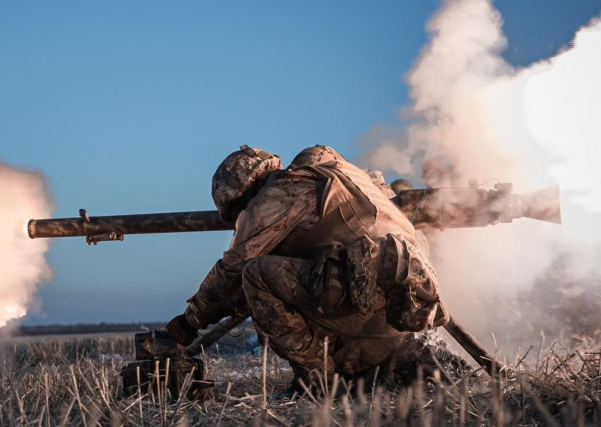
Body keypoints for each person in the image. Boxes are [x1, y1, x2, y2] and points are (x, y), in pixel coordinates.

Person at [165, 144, 449, 392]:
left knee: (254, 275)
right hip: (415, 298)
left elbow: (231, 271)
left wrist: (188, 324)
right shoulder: (347, 174)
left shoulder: (275, 195)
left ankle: (320, 382)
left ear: (242, 196)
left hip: (368, 297)